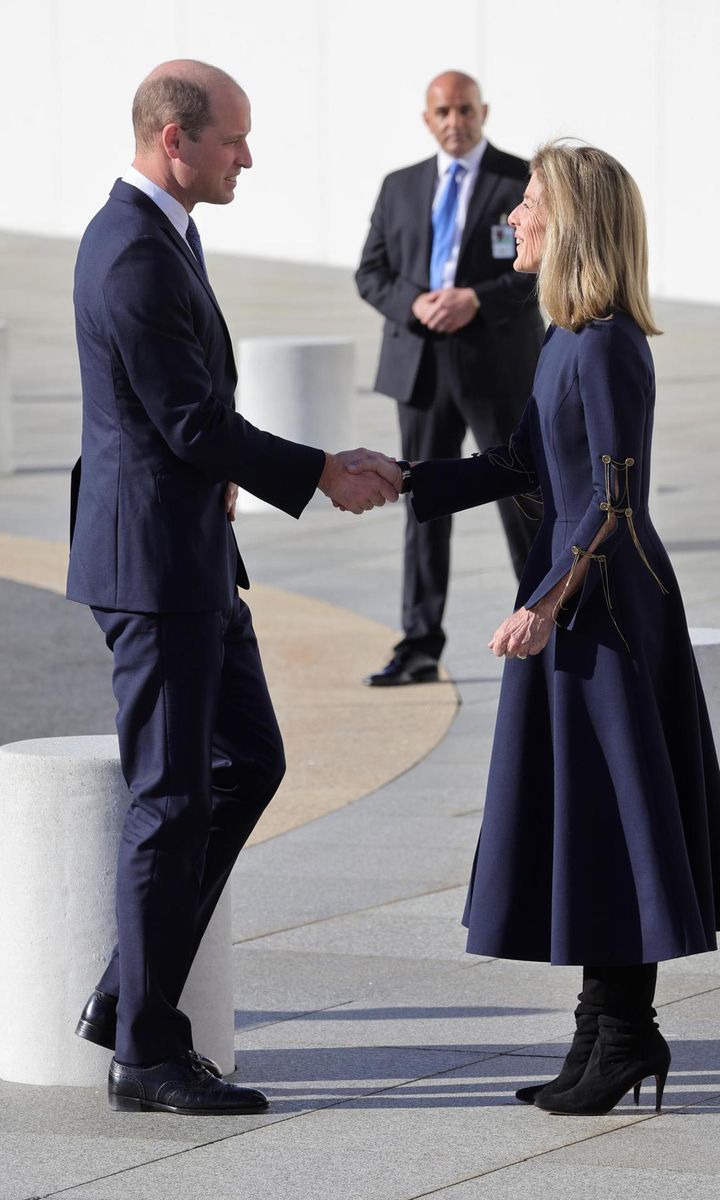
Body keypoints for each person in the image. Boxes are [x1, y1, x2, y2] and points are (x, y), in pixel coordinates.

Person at [67, 59, 399, 1116]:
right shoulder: (131, 254)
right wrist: (321, 471)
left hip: (192, 559)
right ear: (176, 138)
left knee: (248, 760)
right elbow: (191, 423)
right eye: (233, 139)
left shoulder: (165, 232)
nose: (247, 156)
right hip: (156, 570)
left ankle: (129, 997)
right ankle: (145, 1053)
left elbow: (191, 413)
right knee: (169, 799)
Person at [366, 142, 720, 1114]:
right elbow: (522, 459)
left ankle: (627, 1036)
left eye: (529, 203)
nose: (513, 216)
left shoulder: (606, 342)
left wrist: (547, 603)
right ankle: (601, 1035)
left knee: (618, 815)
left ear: (572, 224)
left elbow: (614, 500)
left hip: (604, 608)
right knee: (590, 814)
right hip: (573, 597)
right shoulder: (565, 338)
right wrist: (400, 480)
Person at [356, 70, 545, 687]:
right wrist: (415, 302)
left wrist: (477, 299)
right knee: (424, 506)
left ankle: (544, 624)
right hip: (422, 369)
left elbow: (540, 267)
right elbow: (372, 273)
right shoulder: (400, 186)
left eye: (465, 109)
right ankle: (419, 646)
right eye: (443, 111)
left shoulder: (521, 180)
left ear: (483, 111)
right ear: (427, 118)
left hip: (496, 368)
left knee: (523, 500)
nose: (455, 122)